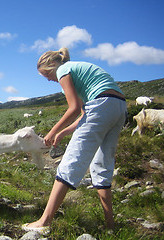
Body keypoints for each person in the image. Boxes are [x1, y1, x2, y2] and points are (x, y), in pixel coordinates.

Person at [22, 47, 127, 234]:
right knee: (102, 164)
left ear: (52, 65)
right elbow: (84, 114)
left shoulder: (64, 69)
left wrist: (52, 132)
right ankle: (111, 225)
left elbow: (74, 108)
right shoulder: (79, 70)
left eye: (46, 74)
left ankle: (44, 221)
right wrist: (62, 133)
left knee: (70, 161)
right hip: (118, 106)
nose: (47, 79)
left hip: (101, 105)